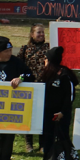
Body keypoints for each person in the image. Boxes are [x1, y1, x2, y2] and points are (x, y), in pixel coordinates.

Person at [37, 47, 77, 160]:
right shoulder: (45, 74)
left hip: (60, 114)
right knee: (47, 138)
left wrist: (63, 112)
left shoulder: (64, 74)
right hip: (47, 113)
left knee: (62, 137)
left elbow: (69, 95)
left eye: (46, 59)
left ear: (49, 61)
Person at [16, 24, 48, 153]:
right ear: (32, 34)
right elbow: (18, 65)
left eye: (43, 32)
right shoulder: (25, 49)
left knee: (43, 115)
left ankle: (42, 144)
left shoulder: (48, 47)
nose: (41, 34)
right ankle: (29, 143)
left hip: (44, 86)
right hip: (28, 87)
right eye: (38, 32)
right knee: (29, 115)